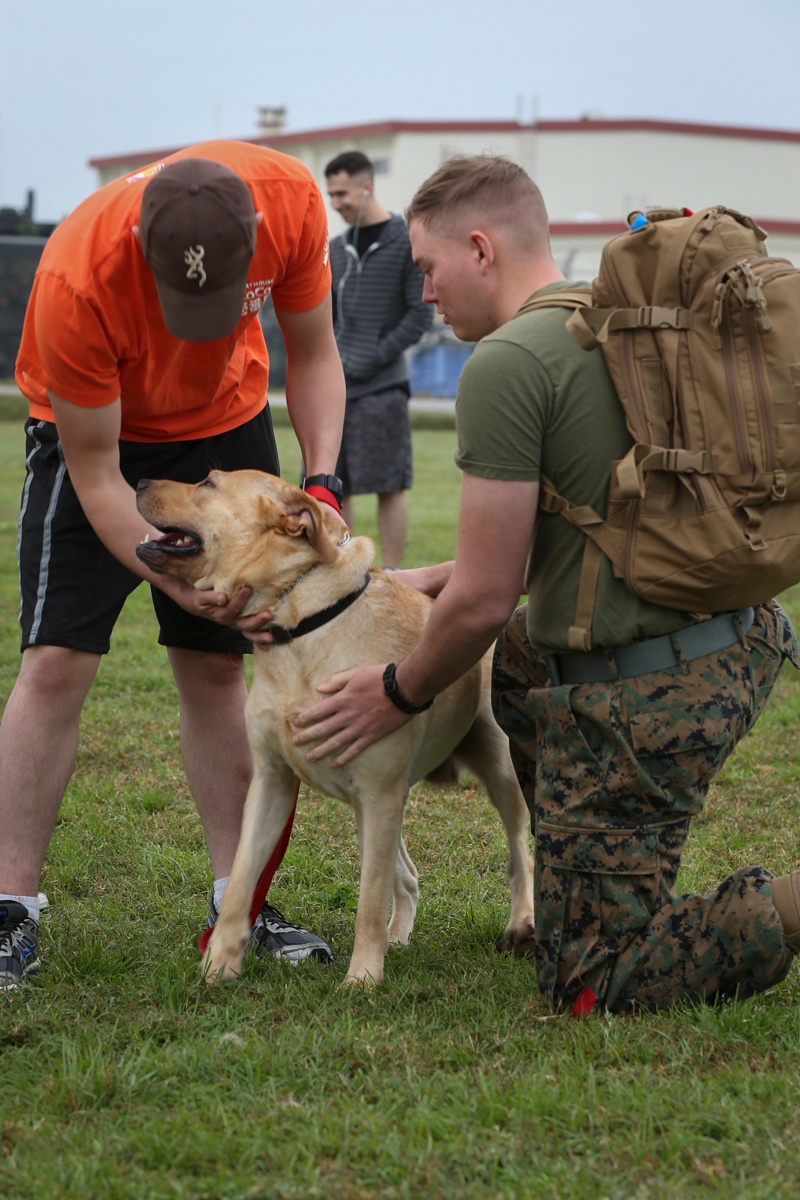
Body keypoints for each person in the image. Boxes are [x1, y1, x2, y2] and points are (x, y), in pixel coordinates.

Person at [291, 154, 800, 1016]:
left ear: (480, 248)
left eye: (427, 267)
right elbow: (564, 535)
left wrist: (396, 693)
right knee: (525, 656)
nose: (424, 294)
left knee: (591, 979)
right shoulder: (604, 322)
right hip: (738, 632)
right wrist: (419, 580)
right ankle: (582, 851)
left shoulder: (507, 364)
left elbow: (486, 603)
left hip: (657, 688)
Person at [0, 140, 348, 989]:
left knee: (219, 671)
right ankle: (9, 910)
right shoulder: (76, 275)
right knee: (55, 663)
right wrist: (187, 590)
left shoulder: (294, 201)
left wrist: (322, 484)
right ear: (142, 252)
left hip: (226, 429)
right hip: (98, 434)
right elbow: (97, 475)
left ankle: (242, 903)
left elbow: (312, 352)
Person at [325, 151, 433, 569]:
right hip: (337, 385)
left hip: (384, 385)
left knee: (389, 484)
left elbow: (419, 314)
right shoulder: (335, 249)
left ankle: (393, 572)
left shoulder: (403, 241)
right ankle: (344, 568)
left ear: (366, 186)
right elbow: (327, 317)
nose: (336, 202)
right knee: (337, 484)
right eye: (331, 194)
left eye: (342, 192)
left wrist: (373, 355)